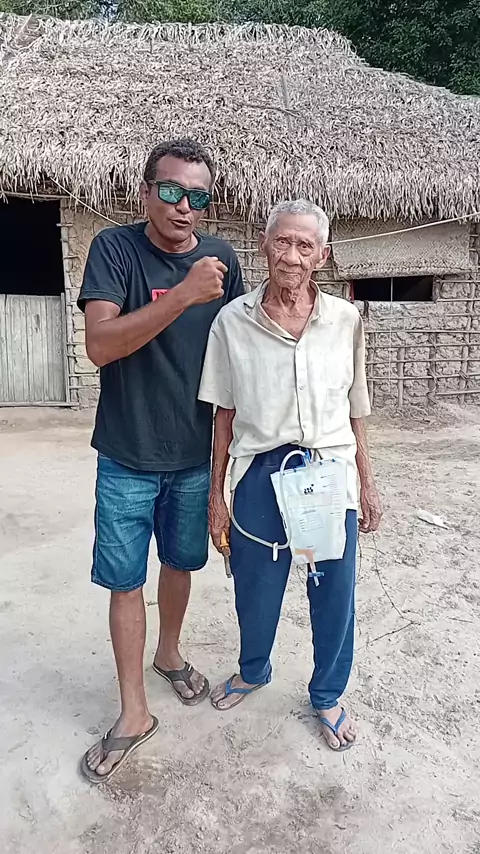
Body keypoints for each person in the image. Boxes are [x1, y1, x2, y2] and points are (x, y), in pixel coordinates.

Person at [78, 139, 244, 783]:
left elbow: (239, 353)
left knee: (180, 564)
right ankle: (133, 712)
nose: (183, 207)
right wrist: (181, 294)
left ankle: (168, 653)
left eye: (197, 196)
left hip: (195, 454)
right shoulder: (115, 250)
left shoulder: (223, 259)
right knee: (125, 580)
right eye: (171, 191)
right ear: (146, 191)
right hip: (127, 451)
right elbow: (100, 345)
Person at [199, 199, 382, 752]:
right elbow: (223, 414)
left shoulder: (345, 320)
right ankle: (254, 670)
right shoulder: (233, 321)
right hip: (260, 471)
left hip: (328, 472)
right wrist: (217, 496)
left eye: (305, 246)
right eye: (283, 241)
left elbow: (355, 407)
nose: (292, 256)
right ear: (264, 246)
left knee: (333, 591)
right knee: (255, 586)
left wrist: (367, 481)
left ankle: (327, 694)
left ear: (323, 256)